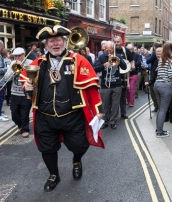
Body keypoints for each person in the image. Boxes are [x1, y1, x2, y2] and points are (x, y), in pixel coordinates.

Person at [22, 25, 104, 192]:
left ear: (65, 42)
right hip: (45, 116)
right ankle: (54, 175)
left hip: (71, 116)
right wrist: (27, 88)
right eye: (51, 41)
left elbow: (92, 87)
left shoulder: (78, 60)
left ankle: (77, 159)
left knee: (80, 145)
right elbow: (27, 86)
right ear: (46, 45)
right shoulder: (38, 63)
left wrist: (98, 110)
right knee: (46, 148)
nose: (55, 44)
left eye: (58, 40)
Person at [94, 41, 127, 129]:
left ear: (114, 48)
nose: (109, 52)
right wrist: (103, 65)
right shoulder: (101, 57)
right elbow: (95, 68)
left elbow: (125, 67)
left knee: (115, 104)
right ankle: (105, 120)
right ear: (104, 49)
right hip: (105, 84)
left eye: (111, 49)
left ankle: (113, 121)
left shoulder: (118, 56)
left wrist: (118, 60)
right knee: (104, 104)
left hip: (116, 84)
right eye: (107, 50)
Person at [145, 43, 172, 137]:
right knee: (163, 109)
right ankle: (160, 132)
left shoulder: (161, 60)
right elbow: (170, 75)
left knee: (160, 109)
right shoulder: (170, 60)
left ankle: (159, 129)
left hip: (157, 85)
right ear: (170, 50)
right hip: (165, 86)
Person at [5, 47, 33, 138]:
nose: (17, 58)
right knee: (14, 113)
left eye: (19, 56)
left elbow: (33, 77)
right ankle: (20, 125)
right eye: (15, 56)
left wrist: (23, 68)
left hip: (26, 92)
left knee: (25, 113)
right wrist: (14, 69)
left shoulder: (30, 62)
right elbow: (6, 78)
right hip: (14, 92)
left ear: (24, 54)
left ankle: (25, 129)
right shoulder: (12, 63)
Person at [114, 36, 135, 119]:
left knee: (123, 96)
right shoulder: (112, 50)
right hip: (114, 75)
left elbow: (131, 60)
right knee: (114, 97)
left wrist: (132, 65)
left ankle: (123, 113)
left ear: (121, 41)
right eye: (115, 42)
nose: (116, 43)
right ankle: (113, 115)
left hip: (124, 75)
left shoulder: (125, 51)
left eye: (118, 42)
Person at [146, 42, 162, 112]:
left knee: (155, 94)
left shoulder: (154, 54)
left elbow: (147, 61)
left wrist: (150, 53)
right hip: (154, 78)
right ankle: (157, 107)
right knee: (154, 94)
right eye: (157, 54)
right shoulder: (157, 60)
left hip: (157, 79)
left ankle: (158, 107)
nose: (158, 55)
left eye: (159, 54)